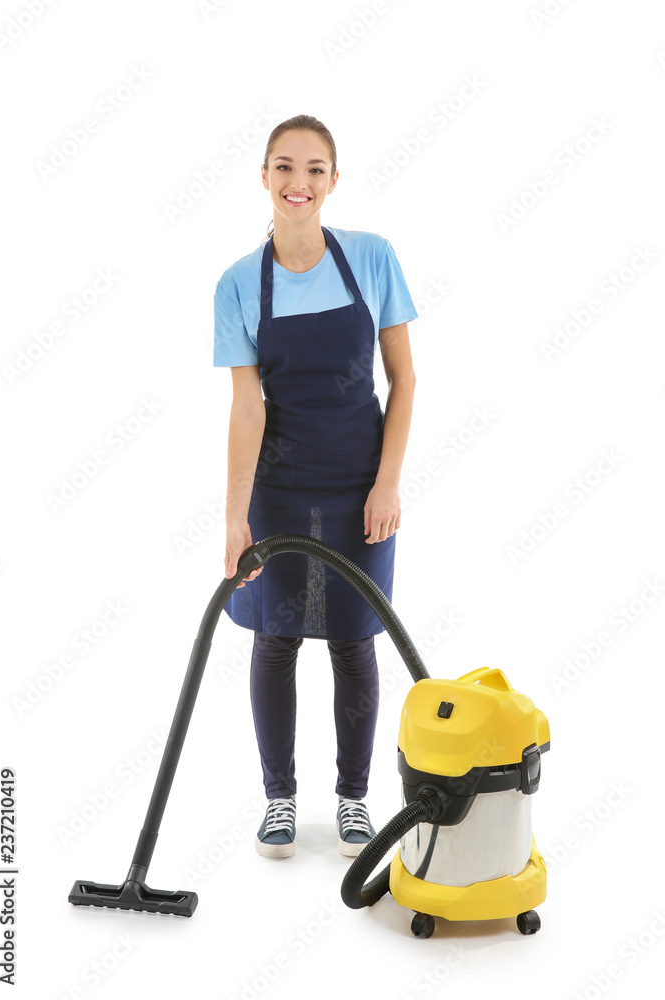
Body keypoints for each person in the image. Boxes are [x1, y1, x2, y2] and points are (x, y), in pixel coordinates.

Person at [213, 114, 417, 860]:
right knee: (276, 635)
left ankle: (354, 800)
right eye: (284, 167)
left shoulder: (370, 258)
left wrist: (386, 484)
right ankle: (279, 800)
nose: (299, 184)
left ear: (334, 179)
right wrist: (235, 519)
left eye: (315, 169)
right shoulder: (238, 283)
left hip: (360, 479)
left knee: (355, 640)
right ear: (264, 176)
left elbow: (404, 379)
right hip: (279, 485)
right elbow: (247, 406)